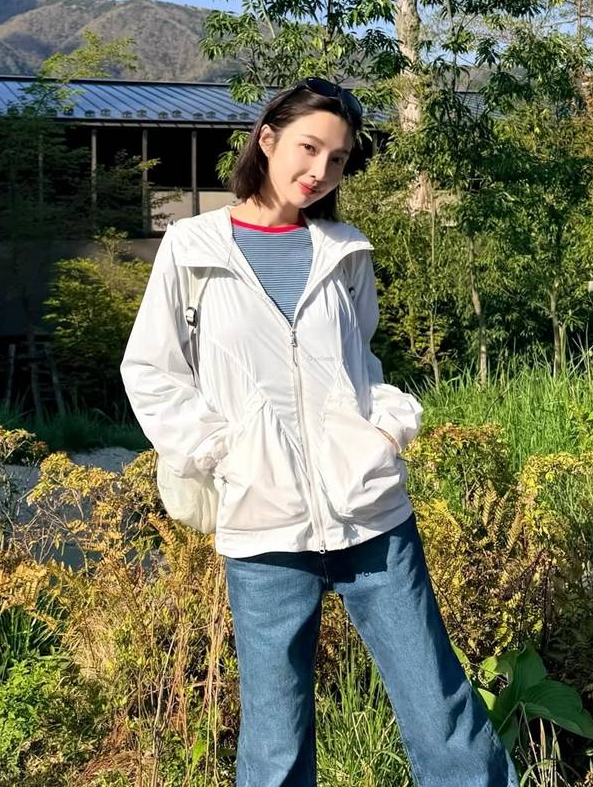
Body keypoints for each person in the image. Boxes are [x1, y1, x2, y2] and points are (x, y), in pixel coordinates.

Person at [120, 78, 519, 787]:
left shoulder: (345, 249)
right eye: (309, 148)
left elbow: (357, 365)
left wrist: (383, 431)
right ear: (267, 138)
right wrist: (225, 453)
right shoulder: (192, 246)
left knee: (441, 707)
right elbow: (152, 370)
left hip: (371, 513)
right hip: (263, 523)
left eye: (337, 159)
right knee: (275, 738)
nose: (320, 171)